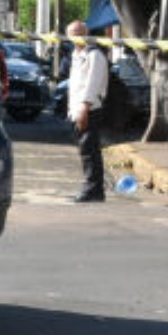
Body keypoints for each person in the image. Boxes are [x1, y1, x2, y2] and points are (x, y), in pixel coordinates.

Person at [63, 20, 110, 203]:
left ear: (86, 34)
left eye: (79, 33)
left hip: (90, 108)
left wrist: (84, 107)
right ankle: (93, 187)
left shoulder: (94, 55)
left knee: (90, 152)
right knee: (86, 151)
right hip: (77, 109)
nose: (76, 38)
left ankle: (93, 189)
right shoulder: (76, 54)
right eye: (72, 35)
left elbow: (92, 84)